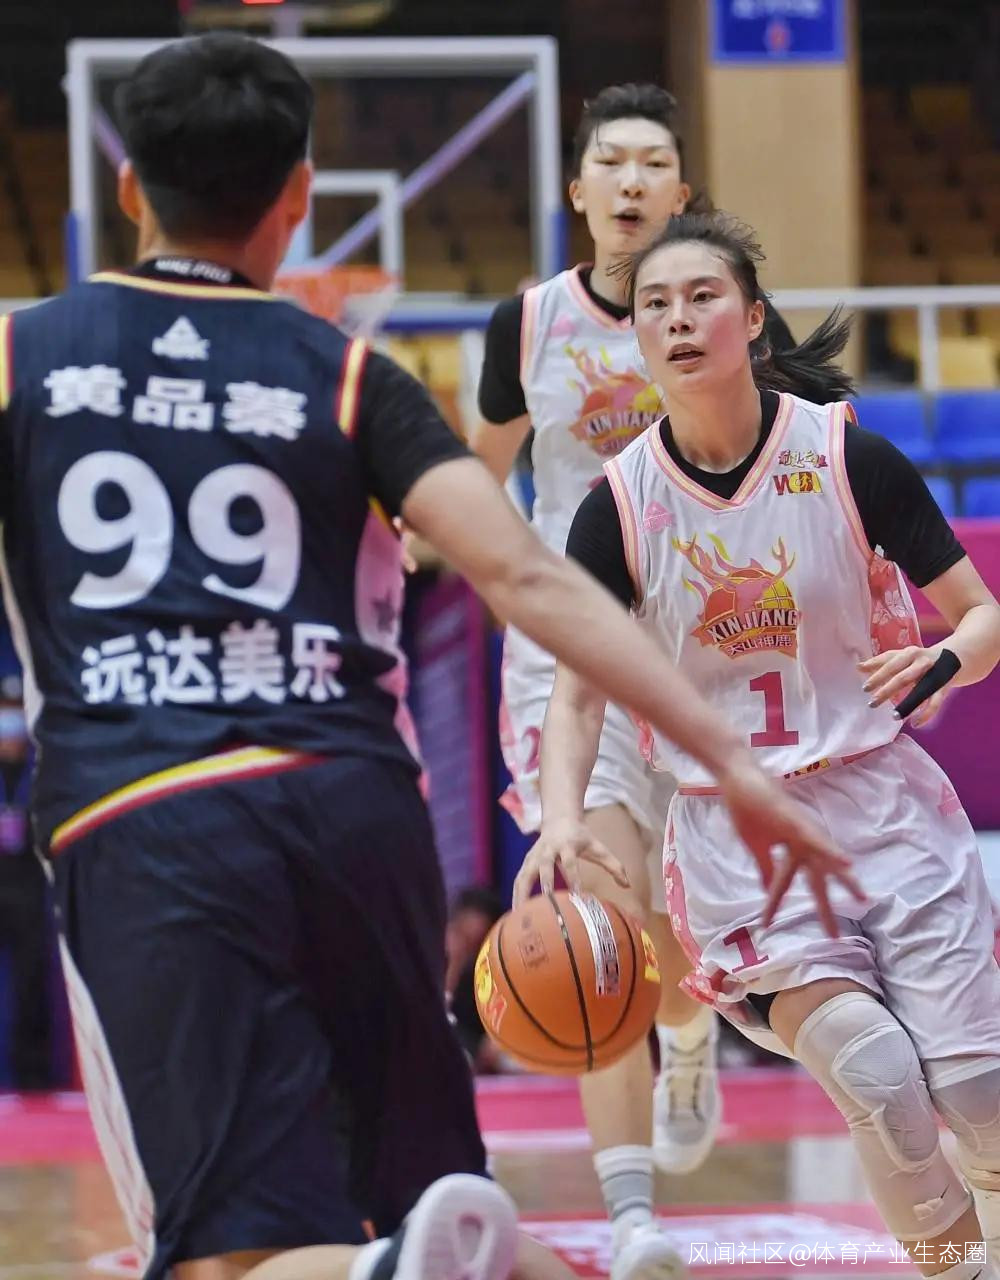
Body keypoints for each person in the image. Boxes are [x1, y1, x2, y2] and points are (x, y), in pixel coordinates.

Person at [0, 37, 853, 1280]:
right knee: (440, 1210)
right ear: (300, 194)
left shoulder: (23, 354)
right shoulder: (349, 373)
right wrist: (732, 753)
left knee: (225, 1253)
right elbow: (525, 575)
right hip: (356, 811)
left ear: (129, 188)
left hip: (151, 816)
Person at [524, 209, 1000, 1280]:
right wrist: (559, 817)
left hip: (883, 803)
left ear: (750, 318)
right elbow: (576, 700)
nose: (677, 319)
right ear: (636, 338)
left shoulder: (845, 454)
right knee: (875, 1072)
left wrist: (943, 660)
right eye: (654, 305)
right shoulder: (617, 508)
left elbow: (983, 618)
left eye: (701, 297)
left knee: (982, 1102)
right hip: (740, 840)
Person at [474, 83, 800, 1280]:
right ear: (577, 190)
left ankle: (690, 1033)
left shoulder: (725, 314)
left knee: (675, 946)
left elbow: (798, 464)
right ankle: (629, 1219)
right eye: (607, 159)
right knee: (598, 924)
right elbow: (479, 477)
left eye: (650, 161)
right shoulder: (526, 323)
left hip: (701, 653)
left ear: (680, 192)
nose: (627, 179)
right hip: (570, 660)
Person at [0, 669, 51, 1090]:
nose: (10, 723)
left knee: (32, 982)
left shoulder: (42, 768)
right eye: (4, 712)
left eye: (16, 711)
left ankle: (35, 1078)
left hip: (29, 889)